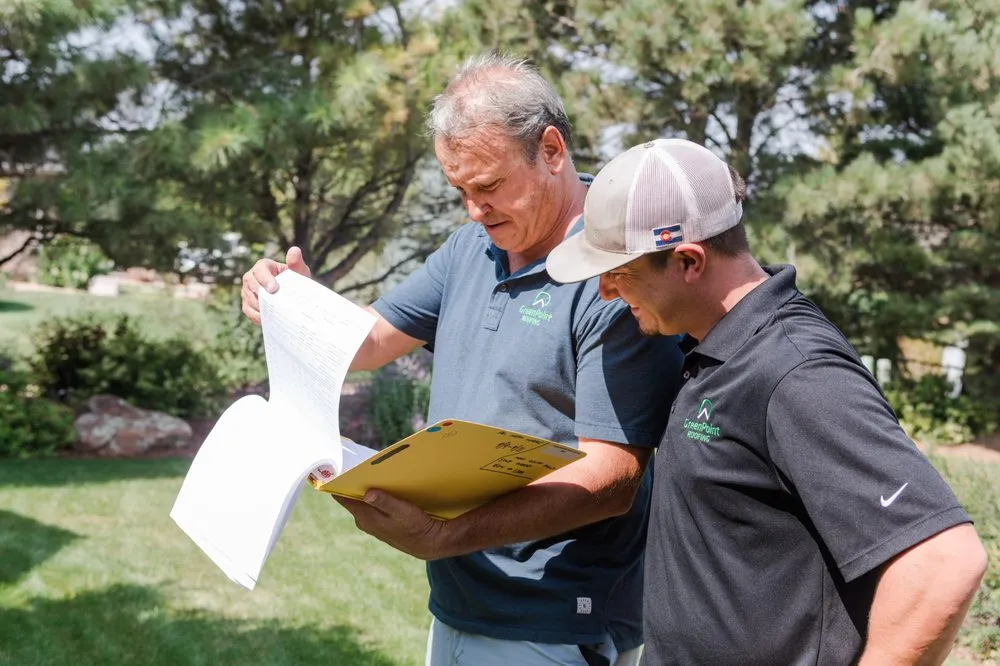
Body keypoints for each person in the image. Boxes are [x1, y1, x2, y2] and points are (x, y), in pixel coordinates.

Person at [241, 56, 684, 666]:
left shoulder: (614, 274)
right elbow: (367, 343)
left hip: (552, 619)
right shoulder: (472, 247)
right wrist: (291, 303)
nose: (474, 209)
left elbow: (611, 480)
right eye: (460, 191)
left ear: (551, 150)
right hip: (457, 601)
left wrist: (446, 535)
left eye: (490, 186)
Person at [546, 138, 988, 665]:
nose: (606, 295)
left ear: (688, 260)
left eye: (618, 274)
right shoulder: (714, 347)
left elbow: (944, 563)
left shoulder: (795, 371)